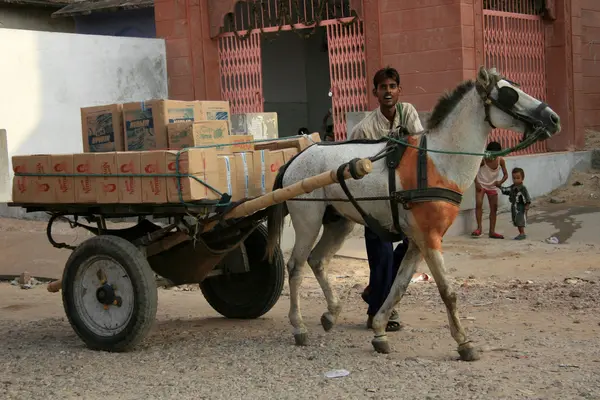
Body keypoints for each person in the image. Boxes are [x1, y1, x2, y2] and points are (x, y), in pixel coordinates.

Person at [349, 66, 424, 332]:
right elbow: (354, 163)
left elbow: (418, 149)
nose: (388, 91)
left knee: (412, 246)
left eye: (392, 86)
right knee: (380, 254)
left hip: (403, 198)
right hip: (377, 201)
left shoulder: (409, 113)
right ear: (375, 93)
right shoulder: (365, 128)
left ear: (399, 90)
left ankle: (375, 294)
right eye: (383, 87)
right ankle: (379, 311)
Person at [472, 141, 508, 239]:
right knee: (478, 204)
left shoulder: (500, 160)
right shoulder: (483, 159)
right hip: (481, 185)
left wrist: (500, 182)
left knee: (494, 208)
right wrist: (477, 183)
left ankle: (492, 231)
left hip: (492, 186)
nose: (493, 157)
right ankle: (479, 229)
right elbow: (473, 170)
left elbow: (506, 175)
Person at [500, 167, 531, 240]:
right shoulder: (512, 187)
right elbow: (506, 190)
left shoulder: (523, 188)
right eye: (514, 178)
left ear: (522, 178)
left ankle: (522, 233)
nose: (515, 180)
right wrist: (499, 187)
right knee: (516, 220)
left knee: (520, 220)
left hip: (520, 207)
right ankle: (521, 233)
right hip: (514, 206)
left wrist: (527, 205)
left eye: (518, 178)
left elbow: (527, 197)